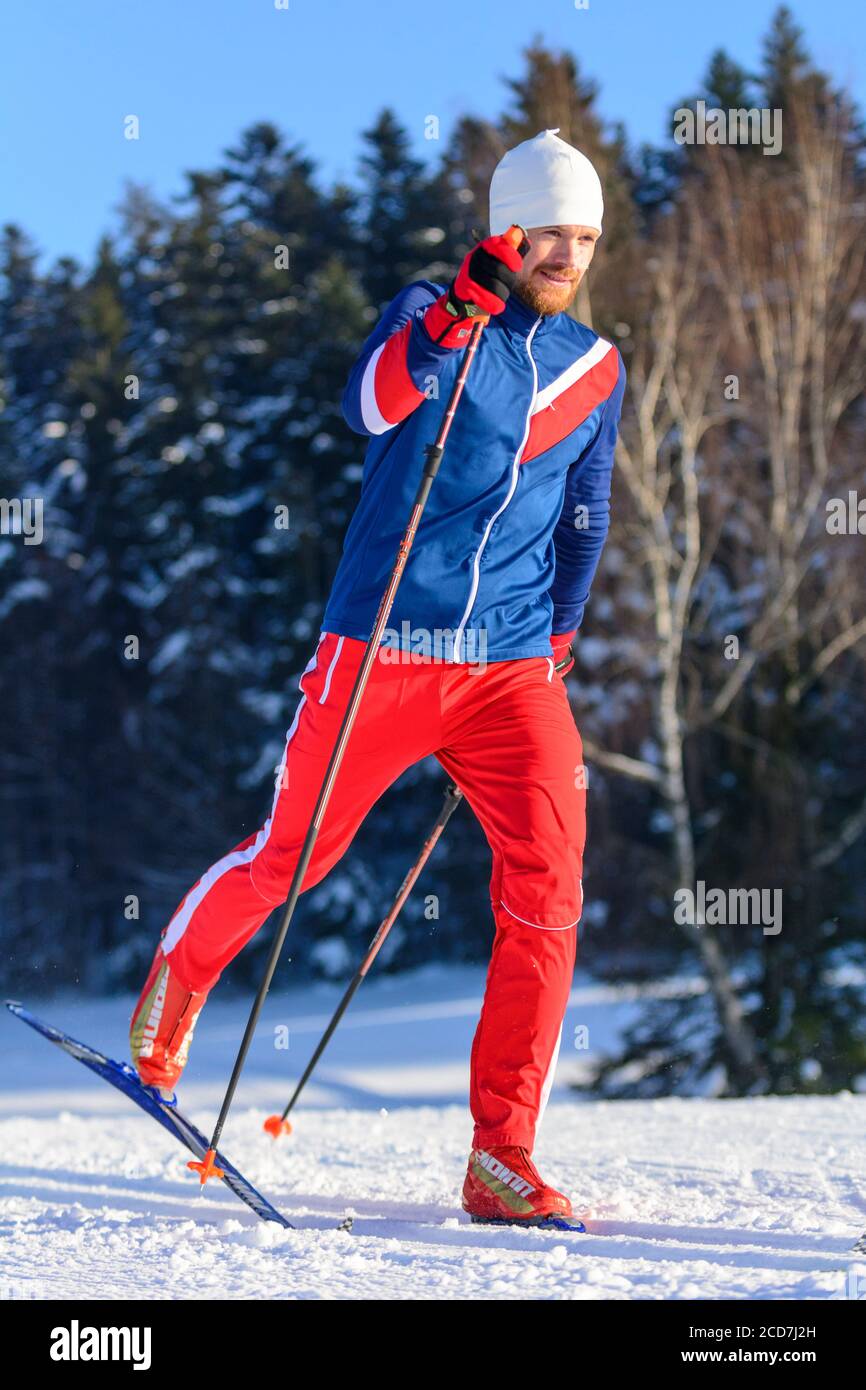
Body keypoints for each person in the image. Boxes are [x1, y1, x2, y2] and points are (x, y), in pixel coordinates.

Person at [130, 128, 627, 1227]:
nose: (566, 253)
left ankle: (501, 1155)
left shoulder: (596, 367)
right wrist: (454, 316)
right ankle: (169, 1001)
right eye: (548, 231)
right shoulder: (431, 313)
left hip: (509, 670)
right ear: (503, 226)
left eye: (583, 236)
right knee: (291, 857)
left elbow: (585, 513)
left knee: (547, 893)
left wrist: (557, 635)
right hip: (383, 650)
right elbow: (369, 406)